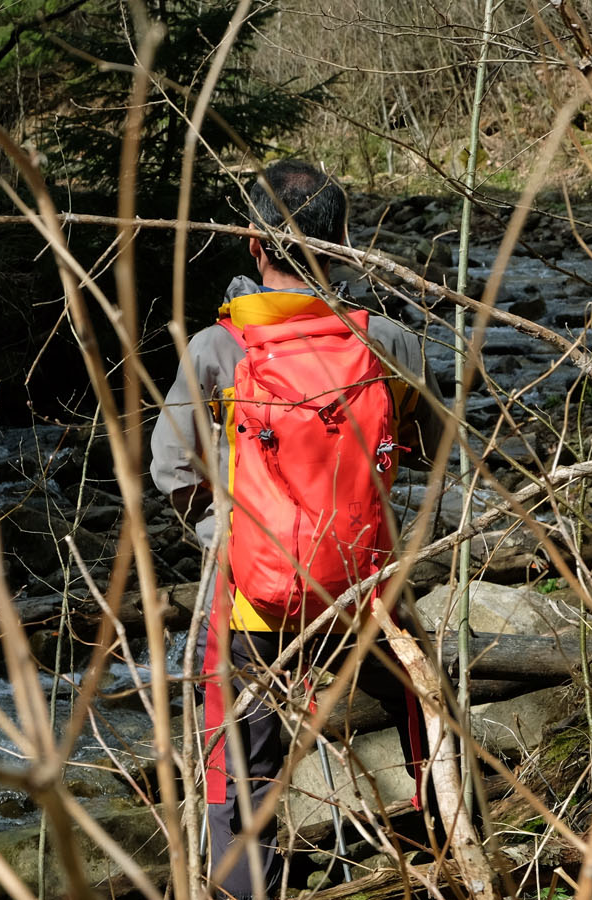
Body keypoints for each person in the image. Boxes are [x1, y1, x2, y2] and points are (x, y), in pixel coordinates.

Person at [148, 160, 445, 898]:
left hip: (255, 593)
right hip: (363, 582)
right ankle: (443, 842)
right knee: (424, 700)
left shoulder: (216, 351)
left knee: (237, 757)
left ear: (254, 243)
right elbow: (436, 450)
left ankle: (247, 885)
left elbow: (172, 473)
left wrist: (230, 539)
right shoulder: (388, 343)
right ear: (344, 244)